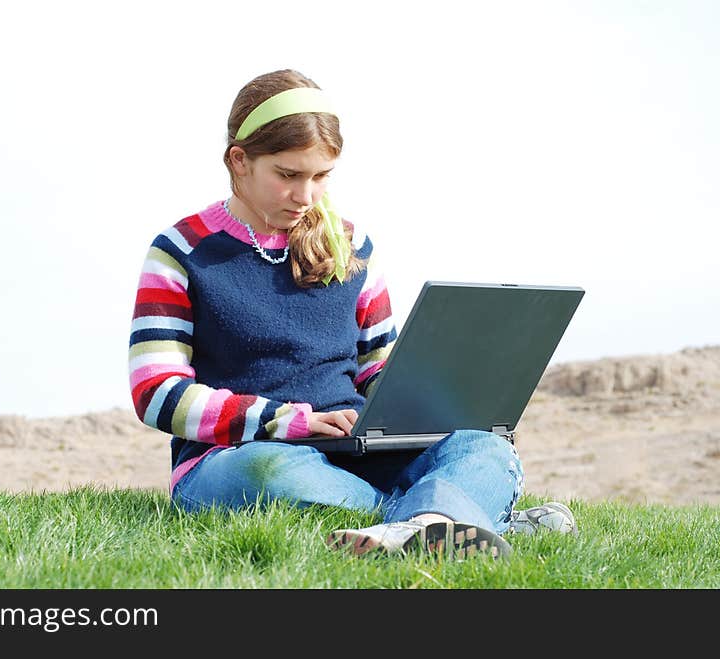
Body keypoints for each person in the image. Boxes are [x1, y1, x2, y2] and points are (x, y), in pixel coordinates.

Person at [128, 68, 577, 560]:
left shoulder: (353, 246)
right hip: (238, 458)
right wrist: (289, 422)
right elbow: (157, 394)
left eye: (321, 176)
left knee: (483, 447)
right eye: (288, 175)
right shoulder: (181, 251)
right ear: (240, 161)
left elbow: (379, 370)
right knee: (271, 475)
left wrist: (444, 403)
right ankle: (453, 517)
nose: (306, 196)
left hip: (355, 453)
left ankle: (421, 526)